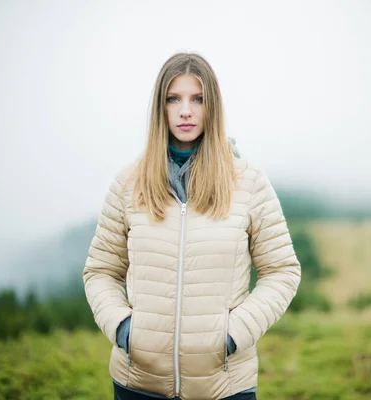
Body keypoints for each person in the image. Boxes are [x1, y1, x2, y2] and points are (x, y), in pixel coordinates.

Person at [82, 52, 301, 400]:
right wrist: (126, 330)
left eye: (197, 99)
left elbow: (282, 271)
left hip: (225, 385)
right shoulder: (128, 183)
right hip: (137, 384)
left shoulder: (248, 182)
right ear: (161, 107)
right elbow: (100, 271)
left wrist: (233, 335)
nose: (186, 110)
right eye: (174, 98)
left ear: (211, 106)